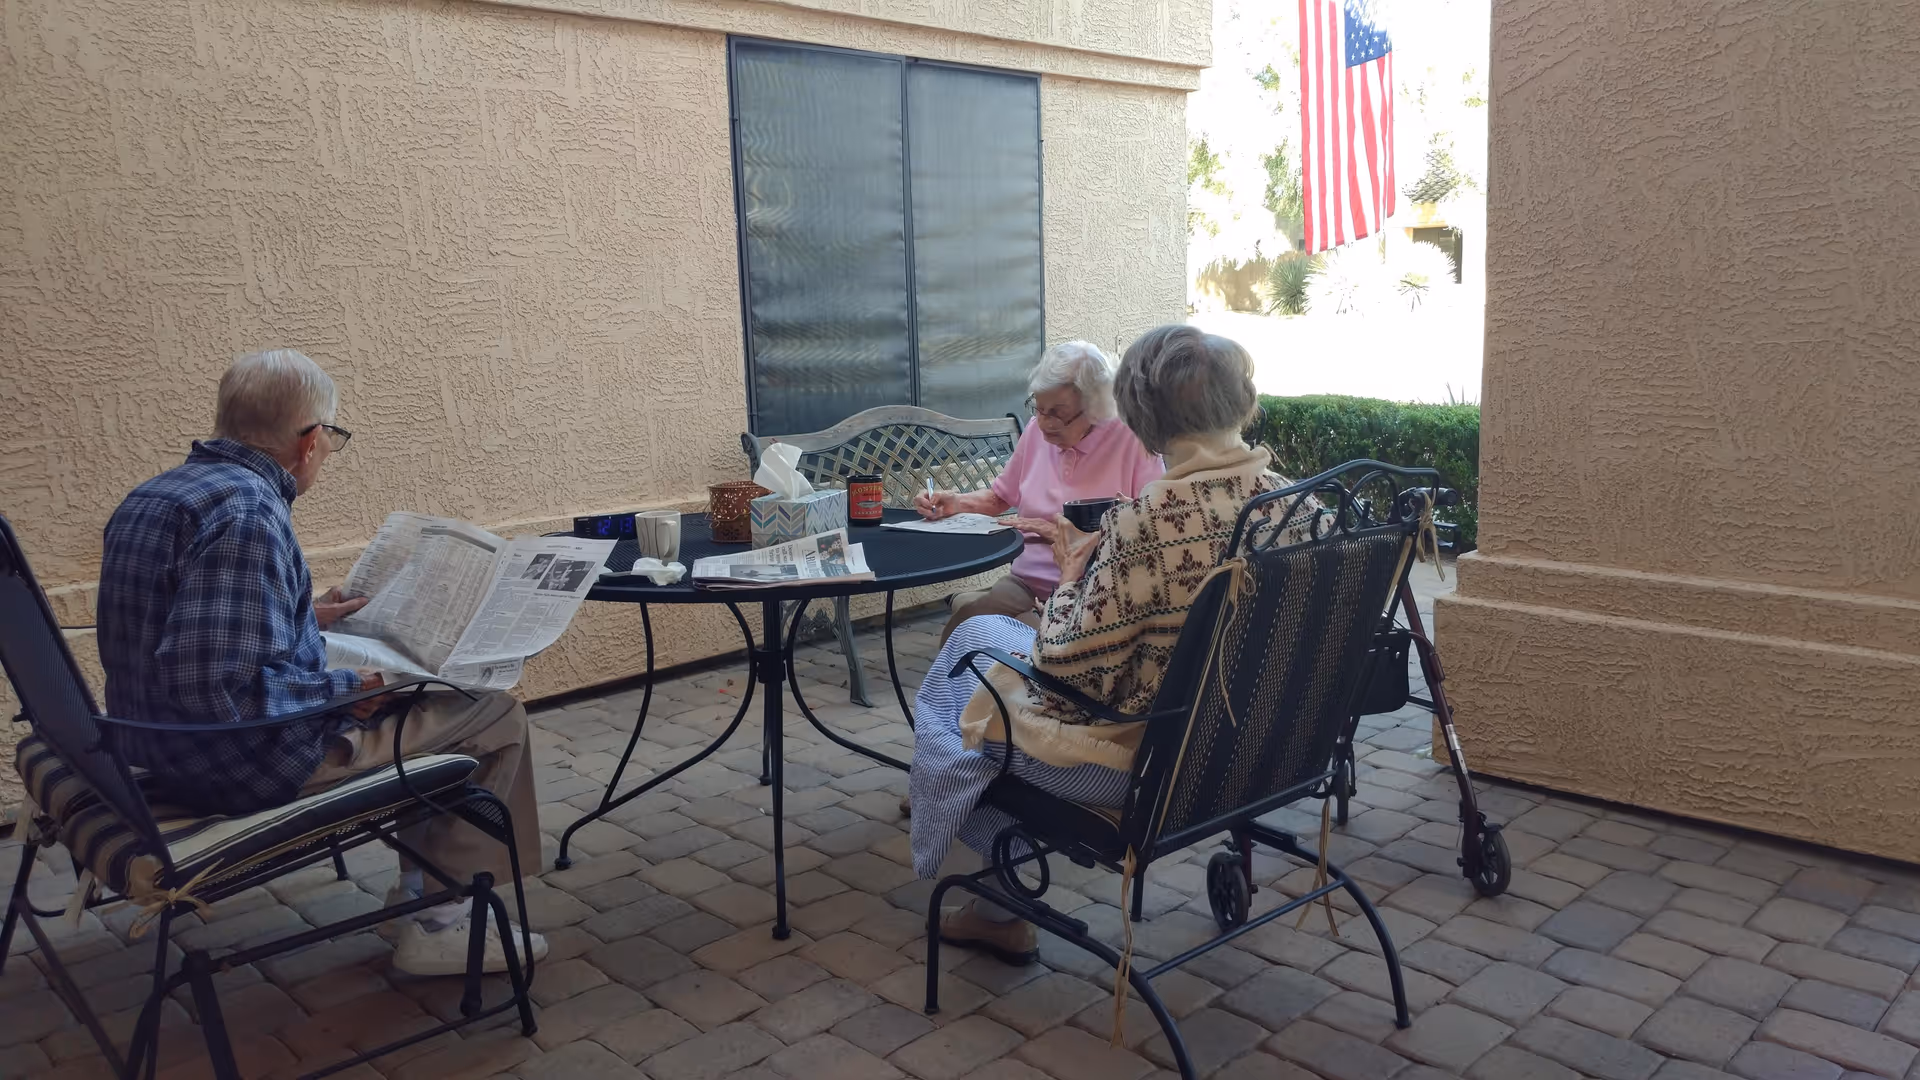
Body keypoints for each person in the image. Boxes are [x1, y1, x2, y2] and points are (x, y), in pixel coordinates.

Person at [97, 349, 549, 976]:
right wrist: (345, 691)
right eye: (333, 439)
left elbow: (176, 630)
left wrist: (309, 619)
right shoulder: (249, 513)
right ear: (310, 442)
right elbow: (209, 688)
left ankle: (417, 895)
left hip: (153, 742)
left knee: (427, 698)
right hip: (232, 763)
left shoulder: (159, 494)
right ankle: (440, 922)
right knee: (491, 712)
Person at [906, 325, 1318, 965]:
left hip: (1154, 769)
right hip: (1268, 747)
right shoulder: (1299, 506)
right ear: (1242, 399)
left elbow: (1066, 668)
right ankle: (984, 882)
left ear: (1142, 416)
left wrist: (1072, 576)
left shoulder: (1150, 521)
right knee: (982, 641)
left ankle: (994, 903)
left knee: (971, 668)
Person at [914, 341, 1163, 642]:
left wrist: (1055, 533)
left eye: (1057, 413)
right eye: (1039, 408)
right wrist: (954, 502)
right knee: (963, 629)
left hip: (1097, 589)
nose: (1044, 423)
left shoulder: (1133, 440)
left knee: (1034, 647)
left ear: (1095, 408)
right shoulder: (1036, 431)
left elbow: (1150, 532)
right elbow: (999, 498)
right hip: (1027, 582)